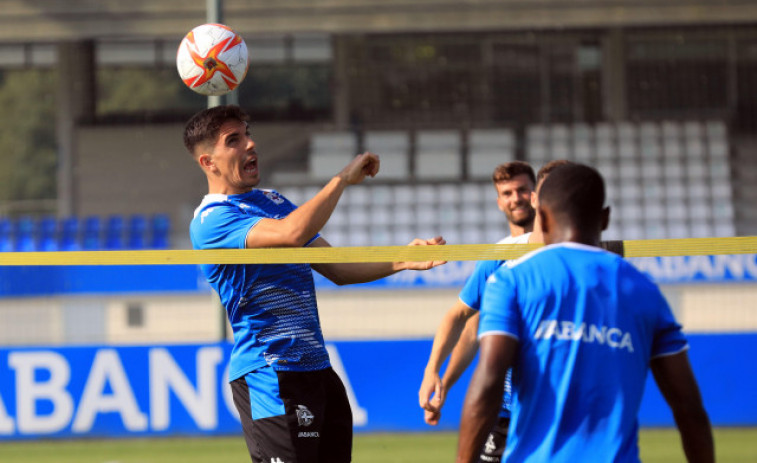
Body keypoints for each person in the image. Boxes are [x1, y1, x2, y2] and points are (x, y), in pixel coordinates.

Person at [185, 105, 445, 463]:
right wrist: (341, 179)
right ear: (208, 163)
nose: (250, 144)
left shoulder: (272, 202)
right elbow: (293, 233)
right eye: (234, 140)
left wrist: (402, 259)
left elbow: (337, 269)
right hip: (270, 375)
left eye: (247, 133)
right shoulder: (211, 220)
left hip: (319, 372)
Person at [457, 163, 713, 463]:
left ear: (544, 216)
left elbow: (489, 383)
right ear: (604, 218)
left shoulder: (510, 280)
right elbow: (689, 407)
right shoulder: (645, 290)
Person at [419, 160, 572, 462]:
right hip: (506, 409)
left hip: (559, 404)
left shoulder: (578, 252)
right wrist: (440, 381)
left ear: (536, 195)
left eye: (522, 190)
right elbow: (471, 326)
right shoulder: (498, 257)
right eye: (507, 193)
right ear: (499, 201)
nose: (516, 198)